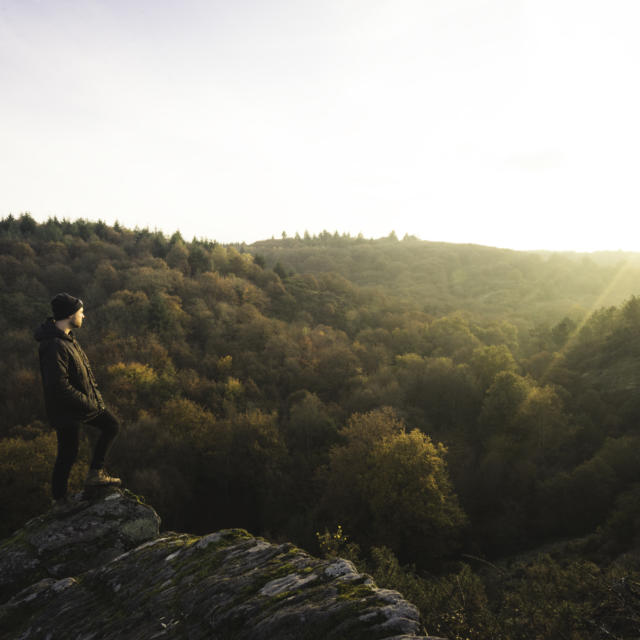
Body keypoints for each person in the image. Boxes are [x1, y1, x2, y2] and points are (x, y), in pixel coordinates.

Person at [35, 293, 121, 507]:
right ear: (70, 314)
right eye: (81, 312)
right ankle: (59, 501)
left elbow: (81, 373)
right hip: (66, 408)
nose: (84, 315)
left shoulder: (67, 338)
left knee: (111, 425)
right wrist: (88, 402)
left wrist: (92, 398)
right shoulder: (54, 344)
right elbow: (58, 386)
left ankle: (95, 475)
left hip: (80, 403)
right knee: (68, 452)